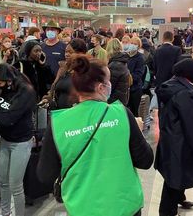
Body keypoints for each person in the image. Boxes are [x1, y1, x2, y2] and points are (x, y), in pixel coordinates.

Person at [37, 55, 154, 216]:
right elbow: (145, 161)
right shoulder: (122, 114)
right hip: (124, 205)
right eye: (109, 80)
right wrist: (137, 131)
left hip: (82, 207)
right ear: (101, 87)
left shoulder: (58, 123)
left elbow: (46, 175)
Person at [0, 64, 36, 216]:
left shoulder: (26, 91)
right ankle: (5, 213)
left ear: (9, 80)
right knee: (3, 181)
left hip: (21, 143)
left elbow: (7, 119)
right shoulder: (3, 87)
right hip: (5, 139)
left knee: (15, 185)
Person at [155, 59, 193, 216]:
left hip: (172, 141)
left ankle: (180, 198)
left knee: (175, 177)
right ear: (189, 72)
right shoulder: (185, 94)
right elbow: (191, 126)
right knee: (174, 181)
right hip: (181, 144)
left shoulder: (172, 86)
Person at [42, 38, 87, 110]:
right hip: (58, 112)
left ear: (80, 54)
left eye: (70, 52)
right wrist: (49, 97)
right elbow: (54, 85)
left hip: (75, 113)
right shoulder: (63, 69)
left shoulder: (85, 72)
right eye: (66, 52)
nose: (66, 54)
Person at [106, 38, 130, 105]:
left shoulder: (114, 65)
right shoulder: (122, 61)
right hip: (121, 99)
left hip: (114, 101)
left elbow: (110, 87)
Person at [127, 37, 145, 117]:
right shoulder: (126, 56)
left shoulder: (140, 58)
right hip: (127, 88)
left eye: (135, 44)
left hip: (135, 88)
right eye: (132, 43)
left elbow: (139, 73)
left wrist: (128, 78)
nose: (133, 45)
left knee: (135, 111)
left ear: (138, 46)